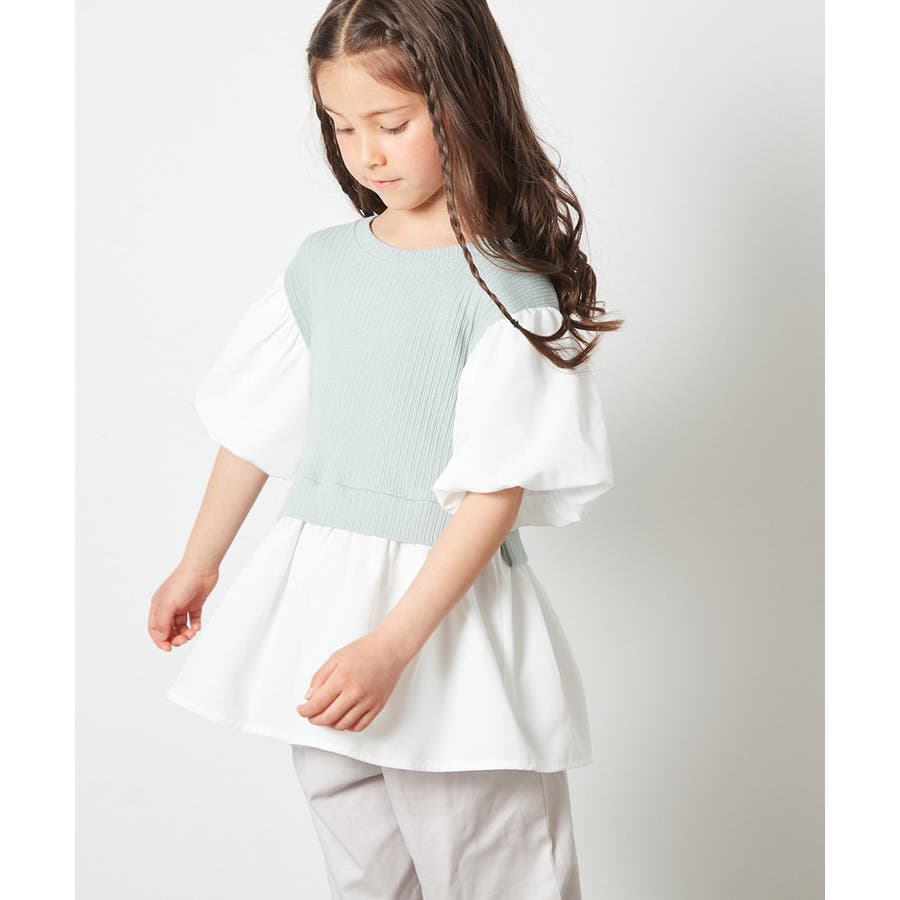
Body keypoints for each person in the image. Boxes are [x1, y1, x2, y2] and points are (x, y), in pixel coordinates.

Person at [148, 1, 624, 897]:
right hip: (324, 616)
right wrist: (199, 562)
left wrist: (395, 647)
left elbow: (494, 492)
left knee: (496, 872)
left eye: (392, 123)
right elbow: (256, 427)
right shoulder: (323, 265)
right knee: (366, 876)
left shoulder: (503, 290)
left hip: (443, 628)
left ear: (462, 104)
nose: (365, 152)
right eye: (342, 126)